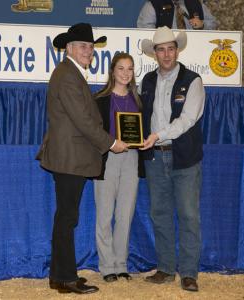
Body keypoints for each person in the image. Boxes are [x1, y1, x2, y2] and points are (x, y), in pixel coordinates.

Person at [36, 23, 128, 294]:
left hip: (69, 157)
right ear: (70, 48)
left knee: (66, 217)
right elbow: (83, 120)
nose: (89, 51)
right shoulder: (67, 75)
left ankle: (60, 275)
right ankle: (64, 278)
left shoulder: (71, 73)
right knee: (67, 218)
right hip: (69, 158)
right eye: (84, 47)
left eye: (91, 47)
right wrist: (111, 143)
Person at [138, 26, 205, 292]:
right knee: (160, 213)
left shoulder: (193, 81)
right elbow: (139, 114)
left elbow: (187, 120)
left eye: (170, 48)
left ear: (177, 50)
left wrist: (156, 135)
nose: (166, 54)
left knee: (189, 215)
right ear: (154, 53)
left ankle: (189, 273)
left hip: (185, 158)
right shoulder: (147, 81)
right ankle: (165, 268)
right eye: (161, 49)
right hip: (155, 157)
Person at [93, 53, 142, 282]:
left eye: (130, 69)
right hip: (108, 159)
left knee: (125, 214)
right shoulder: (100, 99)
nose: (125, 73)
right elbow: (93, 132)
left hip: (131, 158)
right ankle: (106, 267)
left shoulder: (138, 100)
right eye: (121, 68)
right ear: (112, 71)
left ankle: (121, 264)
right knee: (104, 214)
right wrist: (112, 144)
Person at [137, 0, 217, 30]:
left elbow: (213, 23)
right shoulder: (154, 4)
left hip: (194, 47)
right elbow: (144, 28)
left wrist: (202, 24)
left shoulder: (196, 3)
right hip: (165, 49)